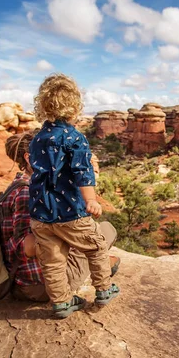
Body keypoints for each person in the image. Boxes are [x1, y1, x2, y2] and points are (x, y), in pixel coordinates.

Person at [29, 73, 120, 319]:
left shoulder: (37, 138)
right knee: (96, 246)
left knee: (53, 260)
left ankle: (61, 303)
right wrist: (90, 200)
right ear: (74, 107)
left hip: (40, 213)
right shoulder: (74, 137)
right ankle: (104, 289)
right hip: (70, 211)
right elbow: (82, 172)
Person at [0, 131, 120, 303]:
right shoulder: (28, 193)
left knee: (99, 231)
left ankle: (96, 265)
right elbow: (24, 247)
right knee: (105, 232)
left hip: (32, 279)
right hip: (39, 285)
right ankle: (99, 270)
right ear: (29, 158)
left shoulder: (26, 186)